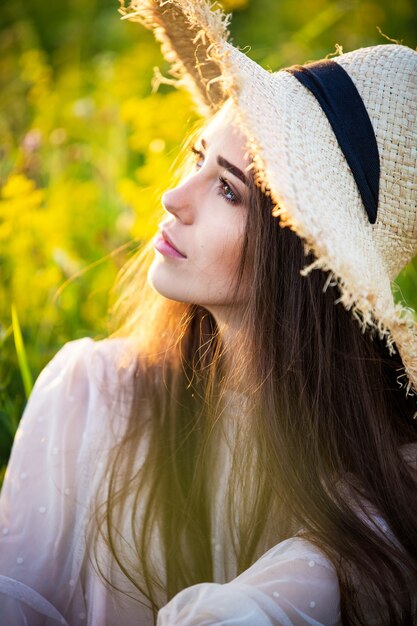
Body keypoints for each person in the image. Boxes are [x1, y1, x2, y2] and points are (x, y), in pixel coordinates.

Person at [0, 0, 416, 624]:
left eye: (228, 189)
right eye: (198, 158)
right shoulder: (88, 397)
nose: (172, 197)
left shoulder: (375, 490)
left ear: (302, 256)